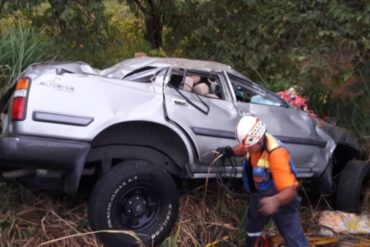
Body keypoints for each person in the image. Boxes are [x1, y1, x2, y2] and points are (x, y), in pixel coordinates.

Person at [217, 115, 309, 247]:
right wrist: (230, 151)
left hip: (282, 198)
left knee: (293, 236)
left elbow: (290, 192)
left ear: (259, 139)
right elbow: (243, 148)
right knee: (252, 230)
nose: (246, 149)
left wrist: (275, 201)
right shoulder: (253, 144)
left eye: (249, 146)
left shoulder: (277, 154)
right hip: (259, 195)